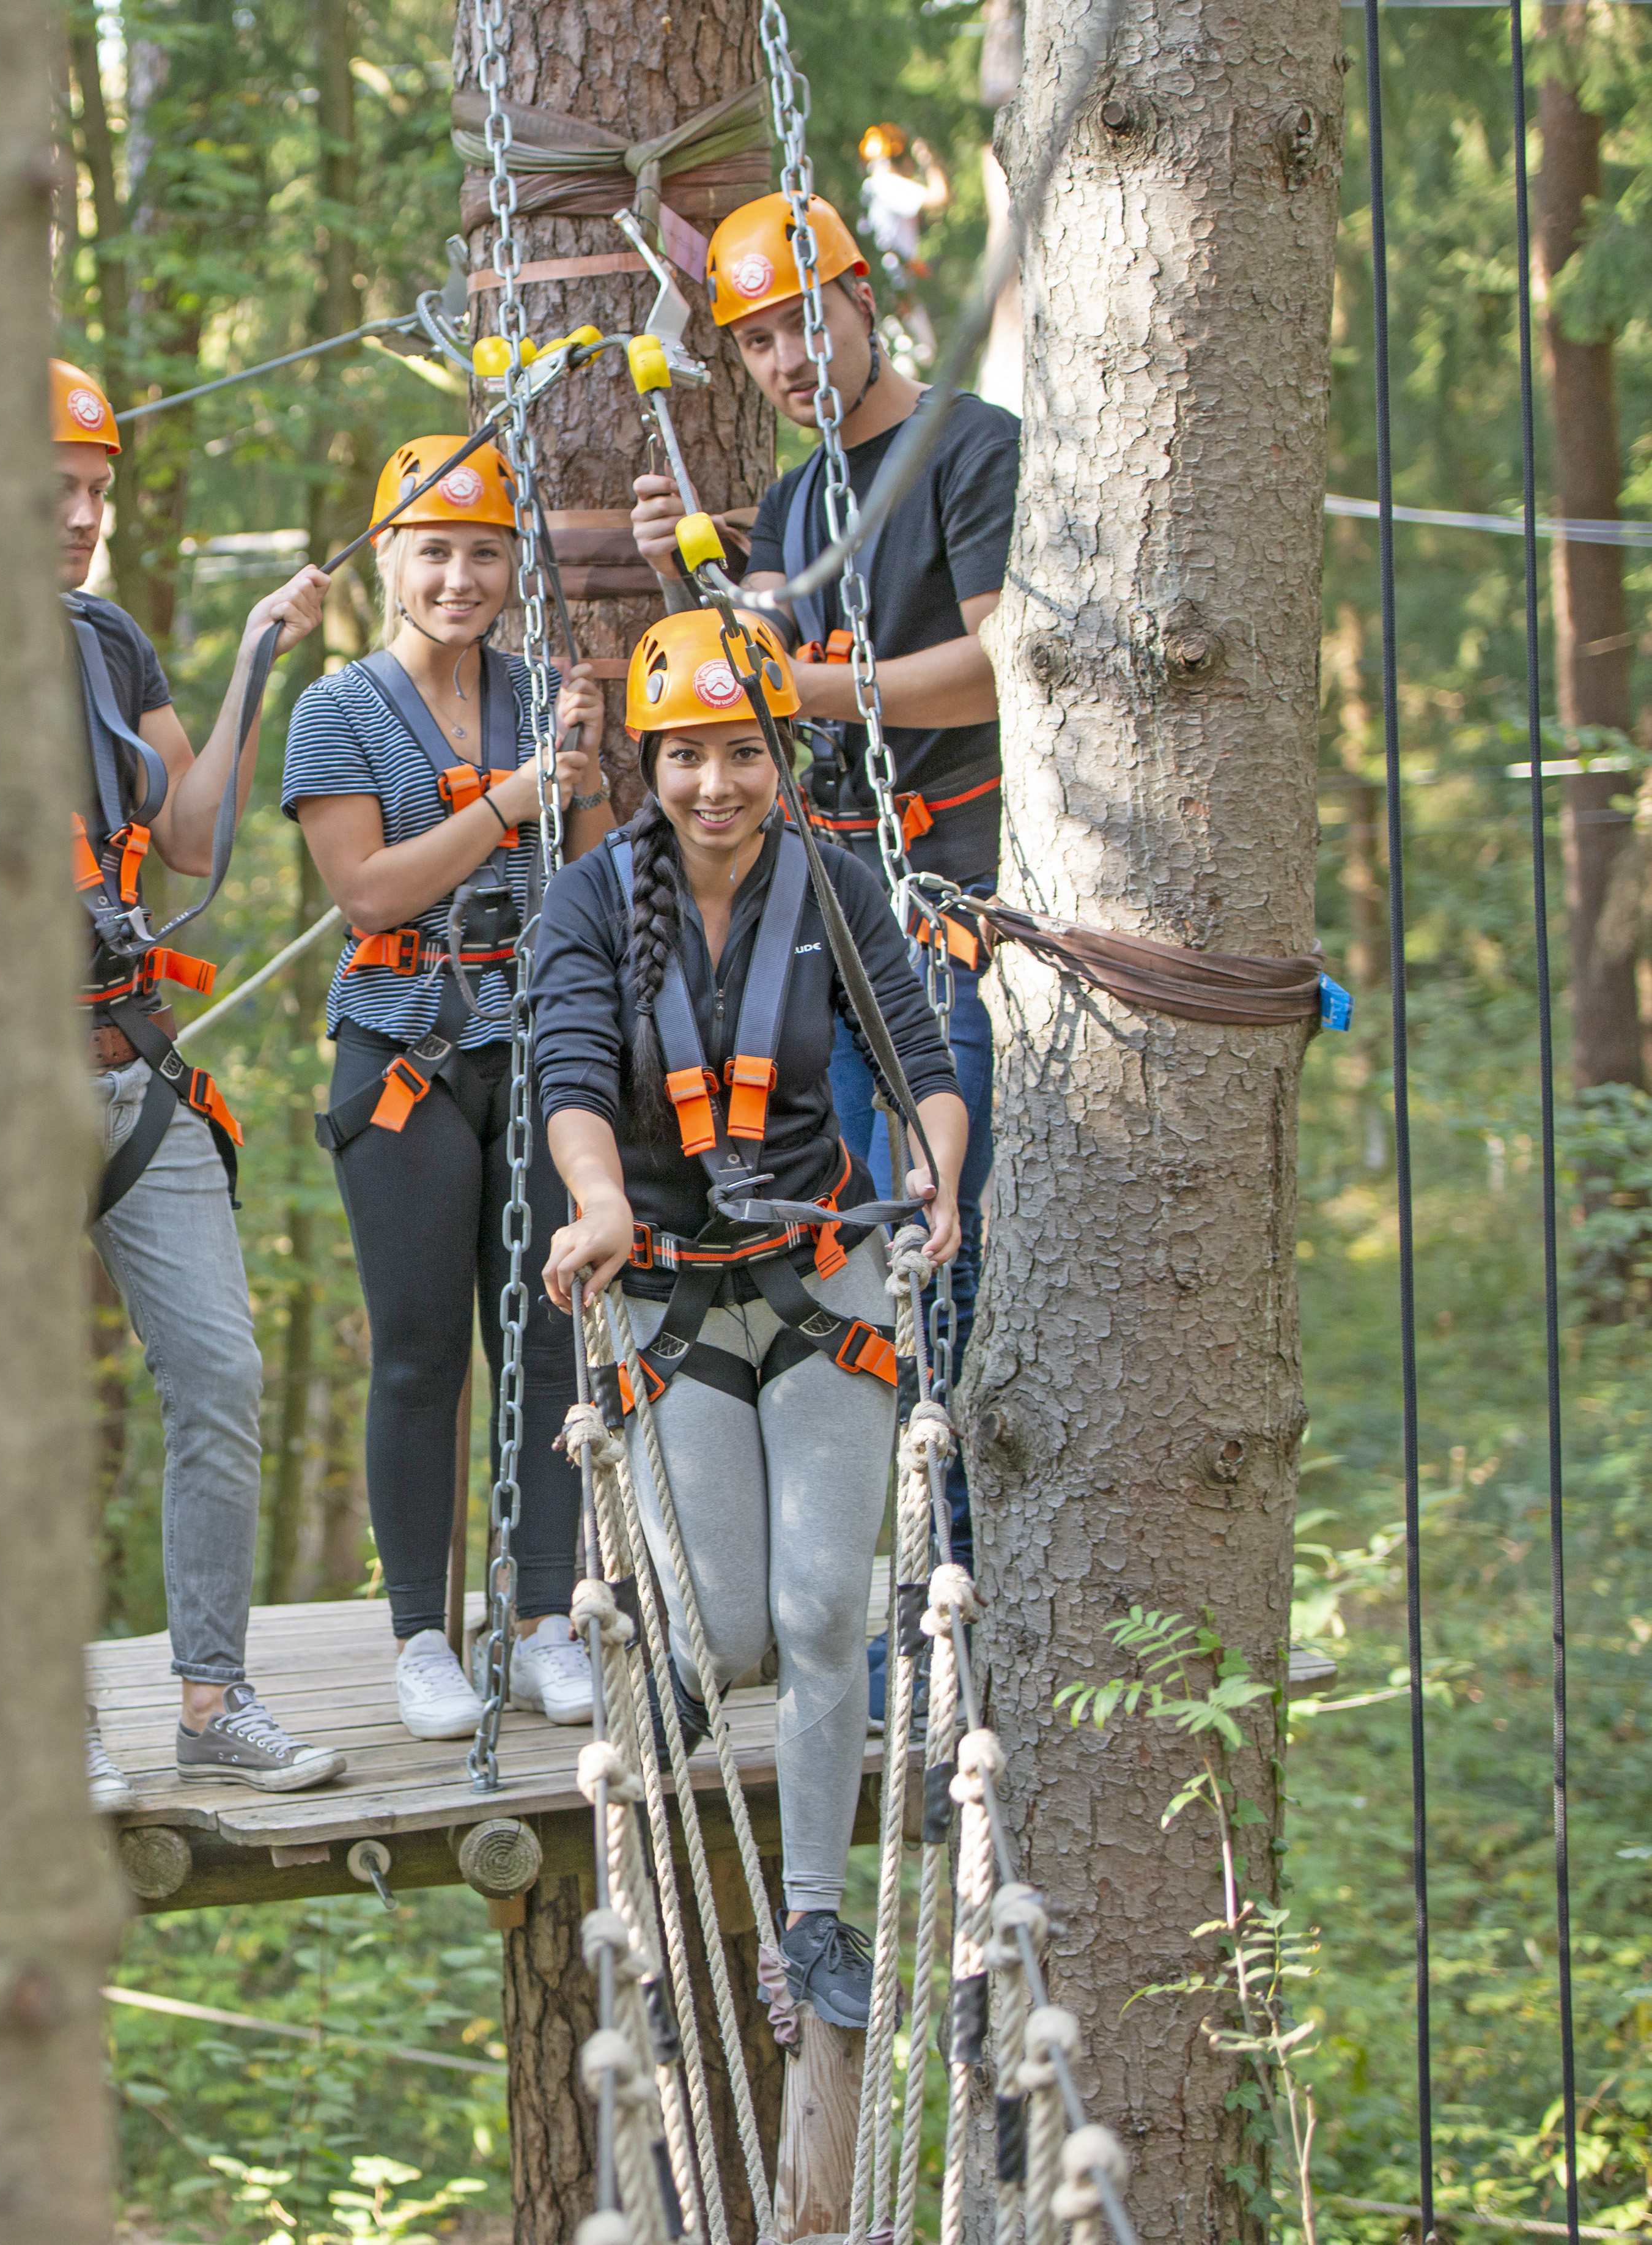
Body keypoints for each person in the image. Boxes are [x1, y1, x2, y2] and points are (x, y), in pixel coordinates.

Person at [529, 604, 967, 2033]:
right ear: (646, 764)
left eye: (740, 753)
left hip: (819, 1274)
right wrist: (594, 1201)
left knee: (821, 1608)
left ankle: (812, 1923)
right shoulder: (588, 901)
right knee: (715, 1629)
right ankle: (651, 1914)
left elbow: (917, 1056)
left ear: (779, 755)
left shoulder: (831, 884)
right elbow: (572, 1072)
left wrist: (934, 1167)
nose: (713, 784)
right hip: (661, 1289)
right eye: (685, 757)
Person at [629, 190, 1016, 1621]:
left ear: (862, 298)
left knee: (933, 1242)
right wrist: (707, 576)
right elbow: (778, 662)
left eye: (806, 321)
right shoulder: (797, 497)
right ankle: (889, 1599)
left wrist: (805, 685)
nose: (790, 358)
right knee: (848, 1261)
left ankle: (952, 1593)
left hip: (948, 906)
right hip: (836, 919)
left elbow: (989, 668)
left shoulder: (965, 447)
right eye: (757, 343)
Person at [281, 435, 613, 1744]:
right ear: (390, 562)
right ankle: (420, 1631)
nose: (459, 577)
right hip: (405, 1053)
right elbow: (367, 889)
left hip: (529, 1049)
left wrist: (573, 782)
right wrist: (518, 797)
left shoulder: (544, 697)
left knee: (539, 1334)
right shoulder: (338, 709)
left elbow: (581, 884)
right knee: (420, 1351)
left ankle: (539, 1618)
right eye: (433, 551)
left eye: (482, 553)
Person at [52, 358, 347, 1807]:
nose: (79, 516)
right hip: (2, 1089)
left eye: (95, 492)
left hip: (127, 1066)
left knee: (222, 1375)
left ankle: (208, 1695)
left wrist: (250, 666)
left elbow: (184, 834)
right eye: (53, 489)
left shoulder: (107, 648)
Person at [855, 125, 951, 363]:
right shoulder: (889, 184)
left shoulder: (871, 187)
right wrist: (930, 162)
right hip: (896, 287)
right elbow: (939, 198)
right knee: (917, 356)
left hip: (885, 285)